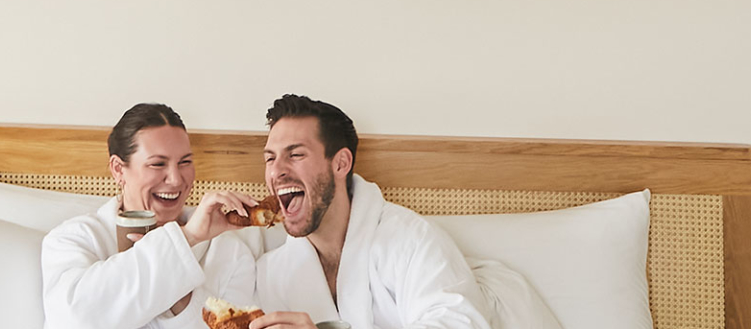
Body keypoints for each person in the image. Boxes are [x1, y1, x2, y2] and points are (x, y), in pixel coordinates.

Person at [250, 95, 491, 329]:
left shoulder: (411, 241)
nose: (276, 171)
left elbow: (459, 321)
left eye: (295, 155)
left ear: (341, 163)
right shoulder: (271, 274)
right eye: (270, 159)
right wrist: (210, 235)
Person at [43, 103, 262, 329]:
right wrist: (185, 239)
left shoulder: (229, 252)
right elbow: (75, 320)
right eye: (158, 164)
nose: (176, 179)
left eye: (185, 162)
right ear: (118, 170)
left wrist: (177, 281)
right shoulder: (73, 240)